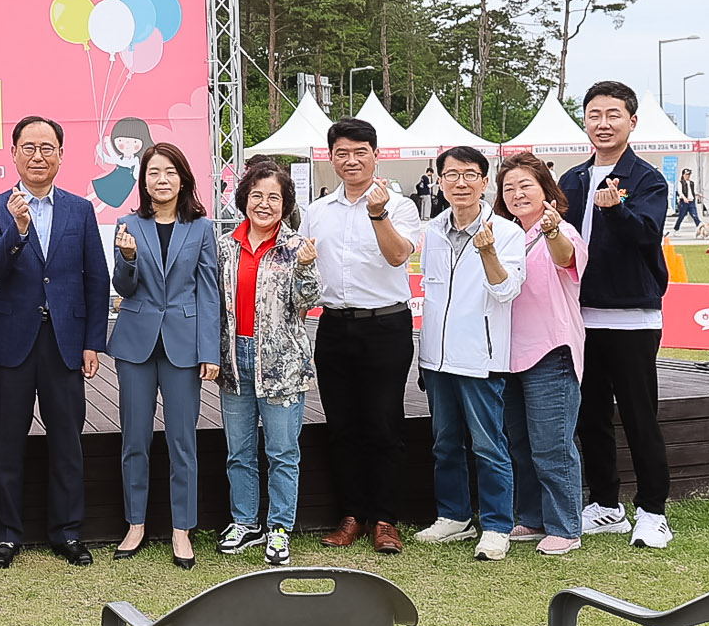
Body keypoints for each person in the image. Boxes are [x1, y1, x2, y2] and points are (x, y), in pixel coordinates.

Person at [0, 114, 112, 568]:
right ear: (13, 153)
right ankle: (7, 535)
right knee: (7, 442)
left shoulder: (80, 209)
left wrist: (93, 340)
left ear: (60, 155)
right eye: (29, 147)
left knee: (67, 442)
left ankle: (68, 532)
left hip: (67, 341)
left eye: (47, 148)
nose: (38, 156)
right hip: (12, 341)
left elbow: (96, 278)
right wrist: (17, 230)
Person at [559, 81, 674, 550]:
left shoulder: (646, 178)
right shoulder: (572, 179)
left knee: (639, 415)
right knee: (589, 416)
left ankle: (653, 511)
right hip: (577, 316)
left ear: (631, 121)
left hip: (630, 317)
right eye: (594, 115)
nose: (602, 123)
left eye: (612, 115)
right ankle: (605, 504)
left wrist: (617, 209)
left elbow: (646, 234)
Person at [306, 119, 422, 554]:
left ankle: (386, 518)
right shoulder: (319, 211)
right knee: (342, 425)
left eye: (360, 152)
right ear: (331, 157)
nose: (351, 160)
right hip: (334, 325)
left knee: (384, 423)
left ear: (376, 154)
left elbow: (397, 257)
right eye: (342, 152)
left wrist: (378, 214)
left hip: (385, 326)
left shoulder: (401, 206)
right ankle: (352, 515)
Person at [108, 142, 222, 567]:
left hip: (184, 345)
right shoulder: (127, 226)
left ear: (183, 179)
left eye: (170, 172)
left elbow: (210, 294)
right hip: (136, 344)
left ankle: (182, 529)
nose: (161, 180)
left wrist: (209, 350)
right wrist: (128, 258)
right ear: (144, 181)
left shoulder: (202, 229)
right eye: (153, 172)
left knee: (182, 441)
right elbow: (123, 287)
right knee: (133, 439)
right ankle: (135, 523)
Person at [412, 146, 526, 560]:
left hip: (481, 358)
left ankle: (496, 525)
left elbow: (507, 289)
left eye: (470, 175)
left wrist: (488, 251)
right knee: (444, 443)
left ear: (484, 181)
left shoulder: (509, 233)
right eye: (452, 175)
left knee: (488, 444)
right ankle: (454, 516)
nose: (460, 183)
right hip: (437, 359)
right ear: (439, 180)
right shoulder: (434, 231)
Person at [215, 158, 319, 566]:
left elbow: (307, 302)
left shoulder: (295, 247)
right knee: (238, 451)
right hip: (235, 361)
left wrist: (307, 269)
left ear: (285, 203)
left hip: (281, 363)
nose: (264, 204)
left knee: (281, 451)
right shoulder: (225, 246)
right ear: (244, 200)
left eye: (273, 197)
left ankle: (278, 528)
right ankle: (244, 522)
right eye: (256, 195)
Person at [495, 152, 586, 554]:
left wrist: (551, 231)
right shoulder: (506, 236)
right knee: (520, 444)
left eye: (525, 185)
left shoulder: (561, 229)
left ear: (546, 190)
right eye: (508, 188)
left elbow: (565, 256)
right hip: (508, 355)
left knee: (552, 445)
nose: (516, 194)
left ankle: (566, 526)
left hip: (551, 352)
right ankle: (530, 518)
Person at [672, 166, 701, 234]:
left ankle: (700, 229)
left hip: (691, 202)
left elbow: (693, 191)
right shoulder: (680, 183)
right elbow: (680, 192)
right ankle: (676, 229)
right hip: (684, 202)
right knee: (681, 216)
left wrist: (698, 194)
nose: (688, 176)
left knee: (695, 216)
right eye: (687, 174)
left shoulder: (691, 183)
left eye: (689, 175)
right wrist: (684, 198)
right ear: (683, 175)